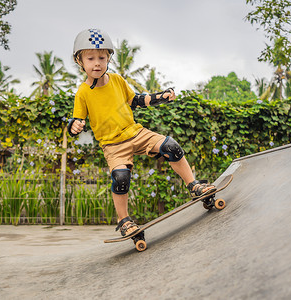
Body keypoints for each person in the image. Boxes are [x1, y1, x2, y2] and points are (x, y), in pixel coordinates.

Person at [68, 28, 216, 237]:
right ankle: (124, 220)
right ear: (79, 61)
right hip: (113, 145)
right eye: (90, 58)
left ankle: (194, 186)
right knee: (120, 177)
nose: (97, 63)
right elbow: (77, 119)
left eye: (102, 57)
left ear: (109, 57)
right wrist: (74, 126)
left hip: (136, 133)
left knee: (171, 146)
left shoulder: (117, 80)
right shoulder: (82, 93)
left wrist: (160, 97)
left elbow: (136, 100)